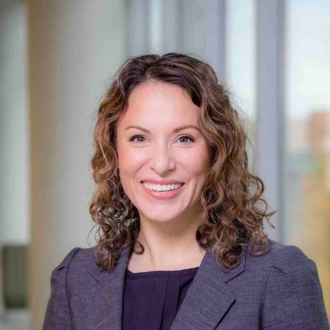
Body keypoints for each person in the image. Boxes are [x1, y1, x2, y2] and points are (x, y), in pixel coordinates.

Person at [42, 53, 329, 330]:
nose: (161, 164)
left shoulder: (278, 275)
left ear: (215, 151)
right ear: (115, 151)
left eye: (184, 138)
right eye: (139, 138)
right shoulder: (76, 278)